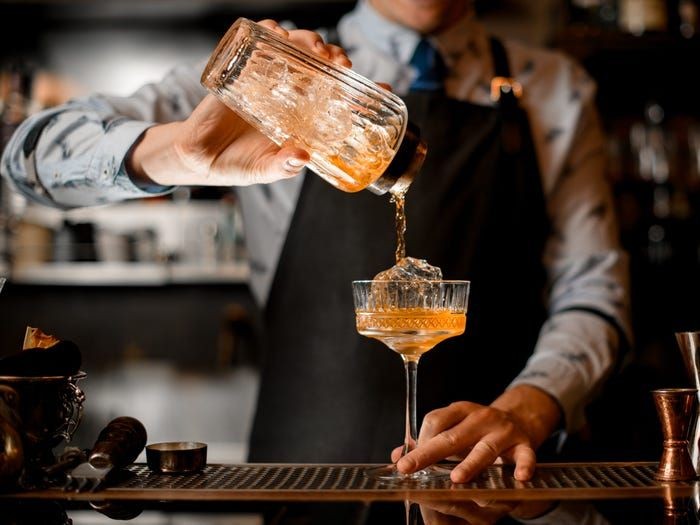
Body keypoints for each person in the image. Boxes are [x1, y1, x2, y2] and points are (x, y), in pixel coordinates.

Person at [1, 1, 630, 484]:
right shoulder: (274, 71)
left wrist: (531, 406)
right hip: (304, 480)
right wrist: (179, 153)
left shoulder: (554, 89)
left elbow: (595, 294)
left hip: (492, 485)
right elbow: (26, 158)